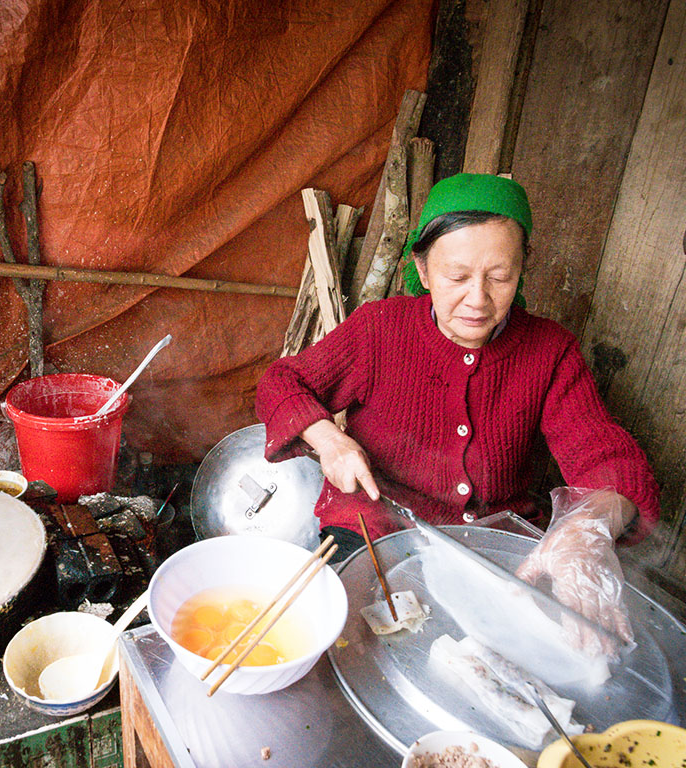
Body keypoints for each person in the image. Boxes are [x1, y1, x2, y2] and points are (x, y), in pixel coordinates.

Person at [255, 173, 659, 652]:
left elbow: (605, 456)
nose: (478, 299)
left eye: (499, 277)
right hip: (374, 531)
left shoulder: (550, 351)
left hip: (495, 548)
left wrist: (587, 531)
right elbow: (282, 382)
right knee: (348, 649)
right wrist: (330, 440)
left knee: (534, 661)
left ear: (522, 269)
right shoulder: (379, 330)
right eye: (457, 276)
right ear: (423, 272)